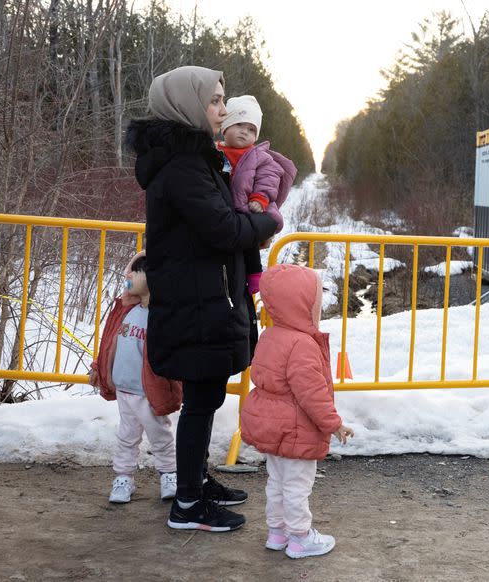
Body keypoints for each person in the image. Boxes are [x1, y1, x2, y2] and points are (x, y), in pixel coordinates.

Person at [125, 66, 278, 532]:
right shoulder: (184, 165)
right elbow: (224, 228)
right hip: (194, 302)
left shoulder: (192, 158)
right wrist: (269, 222)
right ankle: (188, 503)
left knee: (204, 397)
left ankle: (195, 480)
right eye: (213, 100)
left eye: (222, 99)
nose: (222, 108)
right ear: (189, 106)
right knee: (200, 401)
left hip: (201, 298)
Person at [240, 264, 355, 559]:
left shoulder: (270, 335)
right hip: (296, 430)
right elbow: (312, 394)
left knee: (276, 482)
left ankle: (277, 532)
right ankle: (301, 538)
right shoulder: (302, 344)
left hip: (273, 428)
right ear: (303, 304)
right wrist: (334, 423)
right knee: (297, 486)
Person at [89, 251, 182, 504]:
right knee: (126, 436)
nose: (128, 275)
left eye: (136, 270)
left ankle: (169, 474)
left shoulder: (164, 316)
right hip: (125, 389)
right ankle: (123, 478)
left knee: (160, 435)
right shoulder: (125, 311)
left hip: (151, 390)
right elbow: (110, 343)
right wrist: (99, 367)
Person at [216, 95, 297, 296]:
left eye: (251, 129)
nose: (245, 131)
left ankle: (254, 275)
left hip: (250, 207)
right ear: (225, 127)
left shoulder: (260, 156)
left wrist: (260, 198)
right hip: (224, 210)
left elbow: (269, 179)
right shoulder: (214, 152)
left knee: (250, 244)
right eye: (239, 125)